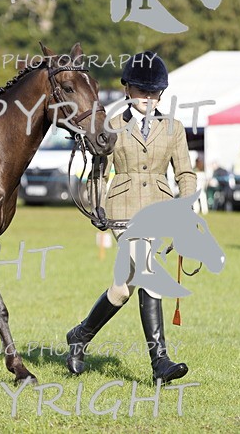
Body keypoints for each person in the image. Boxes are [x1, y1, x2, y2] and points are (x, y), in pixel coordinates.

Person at [65, 51, 197, 384]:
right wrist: (95, 206)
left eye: (153, 93)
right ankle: (160, 363)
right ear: (127, 89)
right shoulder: (110, 125)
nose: (147, 99)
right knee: (149, 272)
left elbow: (185, 172)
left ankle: (80, 335)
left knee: (122, 289)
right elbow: (97, 173)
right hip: (123, 210)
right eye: (141, 91)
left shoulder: (174, 128)